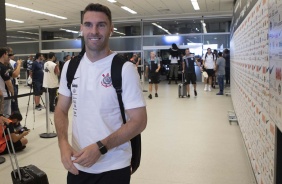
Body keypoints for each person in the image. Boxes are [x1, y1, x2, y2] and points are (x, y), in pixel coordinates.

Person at [54, 3, 147, 184]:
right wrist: (63, 144)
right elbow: (61, 109)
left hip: (113, 167)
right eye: (88, 24)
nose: (94, 31)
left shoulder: (124, 69)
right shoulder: (70, 67)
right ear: (81, 28)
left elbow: (139, 121)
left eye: (101, 25)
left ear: (111, 28)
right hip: (77, 165)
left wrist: (100, 148)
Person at [0, 47, 16, 116]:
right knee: (5, 116)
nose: (8, 56)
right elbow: (9, 84)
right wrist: (12, 93)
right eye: (7, 54)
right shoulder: (3, 67)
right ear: (4, 54)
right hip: (4, 96)